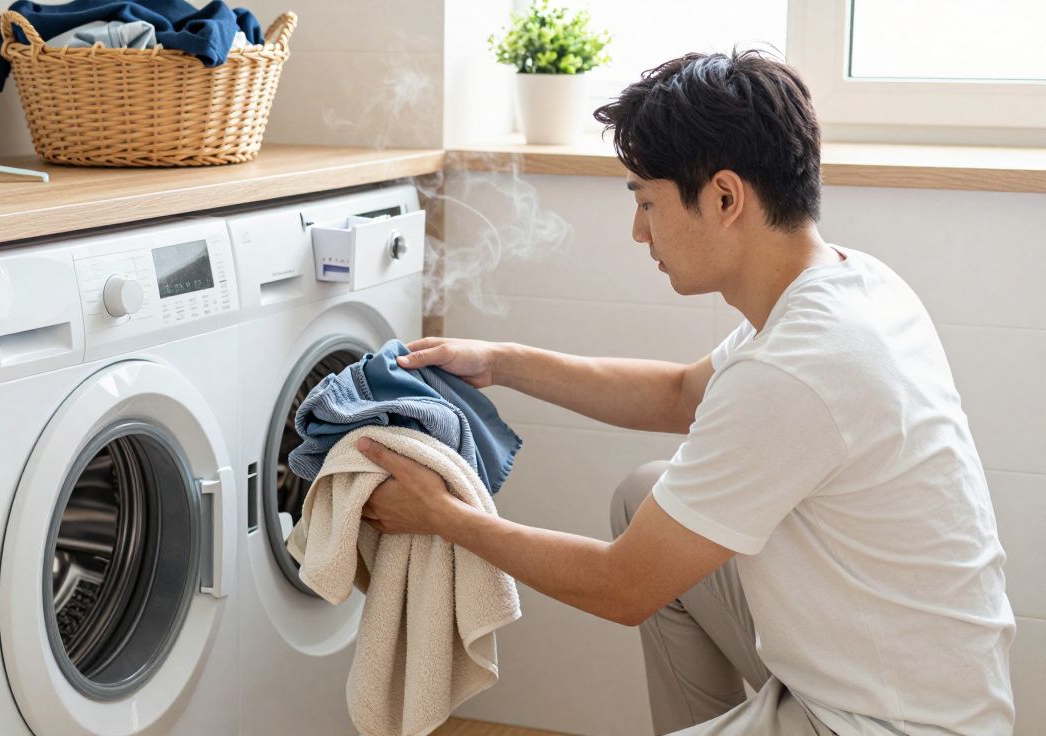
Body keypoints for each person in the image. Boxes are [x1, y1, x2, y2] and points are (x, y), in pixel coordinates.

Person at [353, 50, 1015, 735]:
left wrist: (444, 516)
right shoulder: (848, 286)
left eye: (647, 203)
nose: (639, 231)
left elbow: (622, 587)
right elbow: (679, 395)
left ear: (725, 197)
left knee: (648, 546)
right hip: (906, 680)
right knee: (646, 492)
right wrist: (500, 361)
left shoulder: (799, 366)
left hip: (887, 724)